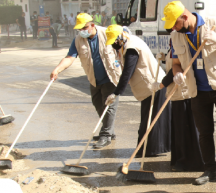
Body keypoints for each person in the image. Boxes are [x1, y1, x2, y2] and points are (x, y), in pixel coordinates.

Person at [163, 1, 216, 187]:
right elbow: (176, 62)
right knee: (204, 133)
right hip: (198, 91)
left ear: (184, 17)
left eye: (175, 23)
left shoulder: (214, 23)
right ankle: (210, 171)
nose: (173, 27)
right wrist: (177, 72)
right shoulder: (175, 36)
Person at [50, 13, 122, 148]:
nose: (82, 31)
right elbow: (70, 57)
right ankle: (109, 130)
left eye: (85, 28)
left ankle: (106, 135)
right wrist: (57, 70)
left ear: (92, 25)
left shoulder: (107, 33)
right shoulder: (78, 40)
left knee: (108, 107)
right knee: (97, 104)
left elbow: (122, 50)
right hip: (94, 79)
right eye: (80, 29)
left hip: (111, 77)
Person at [104, 25, 171, 157]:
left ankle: (149, 150)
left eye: (114, 41)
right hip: (149, 86)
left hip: (154, 85)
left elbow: (128, 72)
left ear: (120, 37)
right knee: (149, 119)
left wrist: (116, 93)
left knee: (152, 120)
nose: (114, 44)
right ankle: (147, 149)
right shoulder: (128, 43)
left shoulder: (131, 48)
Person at [157, 46, 205, 171]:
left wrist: (161, 85)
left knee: (185, 129)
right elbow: (171, 64)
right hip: (178, 93)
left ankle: (190, 162)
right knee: (180, 129)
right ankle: (182, 160)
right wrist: (164, 59)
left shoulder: (180, 44)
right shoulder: (173, 44)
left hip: (184, 93)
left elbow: (174, 70)